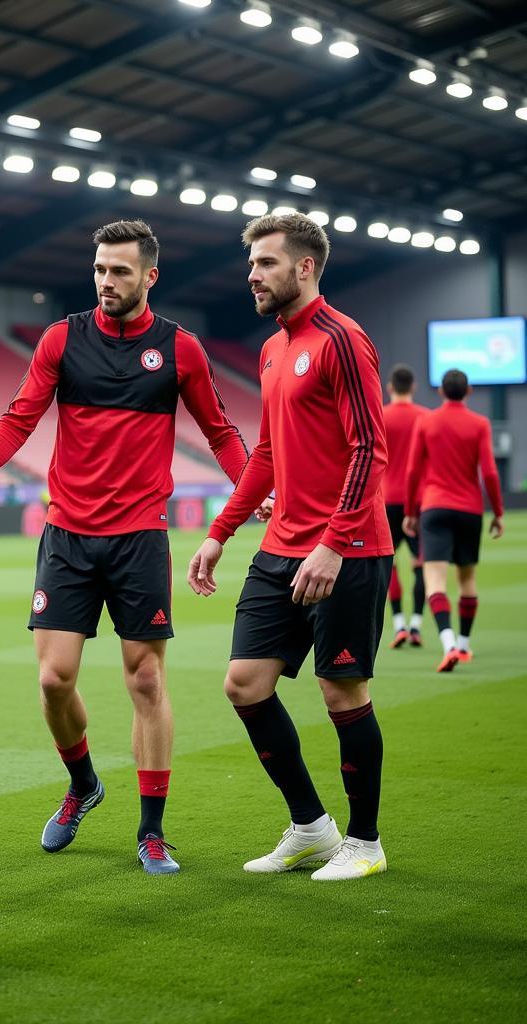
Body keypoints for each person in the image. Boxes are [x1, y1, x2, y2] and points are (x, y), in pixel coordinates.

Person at [0, 220, 249, 874]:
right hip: (69, 536)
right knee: (54, 679)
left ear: (149, 276)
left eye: (119, 271)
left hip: (140, 535)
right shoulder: (63, 338)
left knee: (145, 679)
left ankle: (152, 830)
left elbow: (220, 430)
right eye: (100, 270)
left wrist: (251, 487)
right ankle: (83, 785)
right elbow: (19, 416)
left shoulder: (179, 350)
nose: (107, 282)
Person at [188, 212, 392, 882]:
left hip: (349, 549)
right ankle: (312, 827)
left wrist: (334, 542)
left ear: (305, 266)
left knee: (343, 694)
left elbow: (370, 448)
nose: (253, 274)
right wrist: (220, 533)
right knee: (245, 686)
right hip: (280, 549)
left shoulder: (343, 339)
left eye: (266, 263)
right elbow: (267, 453)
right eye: (251, 263)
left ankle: (365, 842)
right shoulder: (274, 349)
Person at [402, 368, 503, 672]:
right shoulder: (480, 424)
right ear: (469, 391)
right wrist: (497, 512)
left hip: (434, 508)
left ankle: (447, 645)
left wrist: (409, 512)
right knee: (467, 580)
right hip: (470, 510)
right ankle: (463, 644)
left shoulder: (427, 421)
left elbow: (412, 472)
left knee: (435, 581)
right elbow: (489, 472)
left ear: (441, 392)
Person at [382, 364, 429, 648]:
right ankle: (416, 626)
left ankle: (398, 623)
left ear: (390, 388)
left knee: (390, 563)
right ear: (412, 387)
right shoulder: (427, 418)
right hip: (421, 501)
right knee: (422, 564)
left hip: (386, 499)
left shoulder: (381, 417)